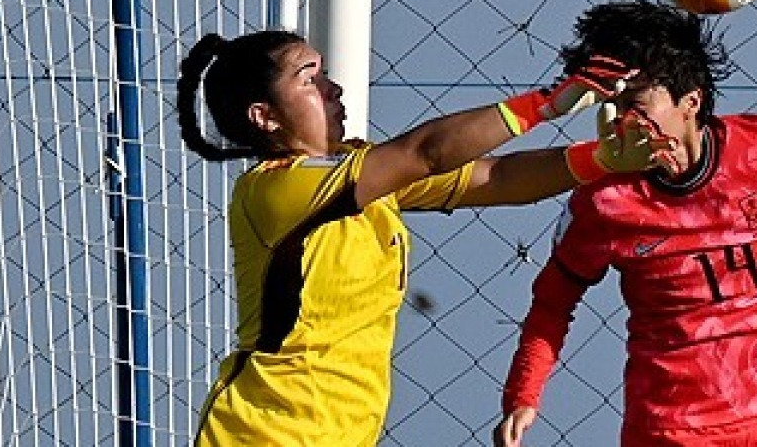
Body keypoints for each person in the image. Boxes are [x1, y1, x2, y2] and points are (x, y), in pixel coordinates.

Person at [176, 29, 677, 446]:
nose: (334, 88)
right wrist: (545, 104)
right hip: (263, 435)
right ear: (265, 117)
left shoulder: (362, 176)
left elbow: (496, 180)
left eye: (326, 72)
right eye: (311, 80)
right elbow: (428, 152)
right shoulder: (278, 188)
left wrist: (602, 160)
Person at [493, 0, 757, 447]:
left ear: (691, 101)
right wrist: (524, 393)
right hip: (674, 432)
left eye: (637, 101)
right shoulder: (605, 201)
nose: (621, 118)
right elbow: (552, 301)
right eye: (612, 103)